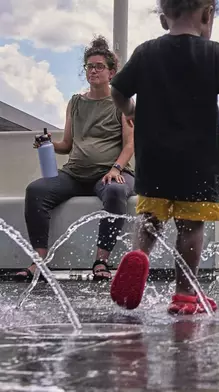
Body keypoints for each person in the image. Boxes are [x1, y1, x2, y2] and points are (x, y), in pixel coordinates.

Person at [108, 0, 219, 315]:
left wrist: (130, 111)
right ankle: (184, 295)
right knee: (191, 227)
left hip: (154, 158)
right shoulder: (213, 54)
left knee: (151, 218)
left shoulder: (146, 52)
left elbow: (118, 90)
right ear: (208, 14)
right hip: (199, 159)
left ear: (165, 18)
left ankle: (139, 255)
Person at [16, 37, 135, 282]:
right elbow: (67, 144)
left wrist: (115, 169)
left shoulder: (121, 102)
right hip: (74, 173)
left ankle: (101, 260)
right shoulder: (76, 102)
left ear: (111, 72)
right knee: (36, 191)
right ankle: (39, 260)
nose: (93, 70)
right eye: (89, 66)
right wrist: (48, 143)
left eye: (99, 66)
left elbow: (130, 144)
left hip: (110, 172)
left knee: (115, 191)